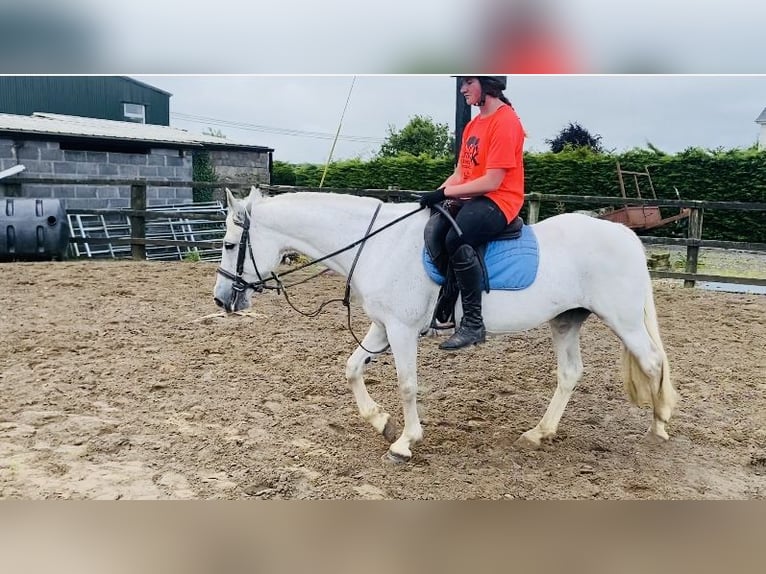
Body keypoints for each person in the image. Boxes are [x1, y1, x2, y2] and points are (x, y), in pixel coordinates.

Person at [419, 76, 526, 350]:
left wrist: (444, 195)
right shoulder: (474, 124)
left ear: (488, 83)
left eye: (468, 82)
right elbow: (460, 173)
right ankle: (446, 302)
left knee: (457, 237)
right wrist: (435, 194)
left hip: (499, 200)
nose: (462, 88)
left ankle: (473, 324)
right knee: (434, 229)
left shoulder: (506, 122)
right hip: (472, 197)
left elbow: (492, 182)